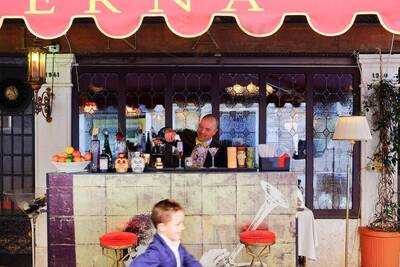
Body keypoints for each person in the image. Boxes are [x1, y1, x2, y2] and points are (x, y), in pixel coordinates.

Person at [130, 199, 201, 267]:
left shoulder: (176, 244)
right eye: (178, 224)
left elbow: (190, 261)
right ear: (162, 227)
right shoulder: (157, 251)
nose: (183, 227)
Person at [160, 114, 227, 167]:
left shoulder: (220, 150)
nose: (202, 131)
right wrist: (167, 131)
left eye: (207, 129)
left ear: (215, 132)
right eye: (201, 127)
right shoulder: (187, 135)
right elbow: (161, 136)